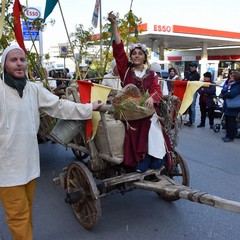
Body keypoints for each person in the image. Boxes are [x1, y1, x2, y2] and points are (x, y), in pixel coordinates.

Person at [0, 45, 103, 240]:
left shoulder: (33, 89)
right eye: (13, 60)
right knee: (18, 216)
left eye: (22, 59)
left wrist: (88, 108)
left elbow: (59, 106)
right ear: (4, 64)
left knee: (27, 211)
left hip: (30, 164)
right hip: (6, 168)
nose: (19, 63)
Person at [108, 12, 166, 173]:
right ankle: (141, 160)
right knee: (140, 125)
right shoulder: (125, 71)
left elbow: (156, 90)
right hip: (130, 111)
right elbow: (119, 51)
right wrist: (114, 25)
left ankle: (156, 157)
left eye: (140, 54)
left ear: (145, 57)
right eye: (134, 53)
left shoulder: (151, 74)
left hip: (147, 109)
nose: (137, 56)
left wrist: (152, 99)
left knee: (154, 124)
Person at [221, 71, 240, 142]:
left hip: (233, 106)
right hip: (228, 105)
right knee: (228, 121)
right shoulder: (231, 84)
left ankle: (230, 136)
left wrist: (225, 95)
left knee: (231, 122)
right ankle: (229, 135)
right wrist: (225, 92)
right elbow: (224, 90)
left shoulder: (237, 86)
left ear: (236, 77)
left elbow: (232, 94)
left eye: (232, 76)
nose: (230, 77)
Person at [183, 61, 200, 126]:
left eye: (192, 66)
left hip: (193, 92)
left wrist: (187, 81)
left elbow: (192, 82)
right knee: (188, 106)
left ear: (195, 67)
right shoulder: (189, 74)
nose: (191, 67)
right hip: (187, 91)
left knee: (192, 107)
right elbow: (184, 80)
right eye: (190, 66)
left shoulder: (197, 75)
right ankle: (190, 120)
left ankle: (192, 121)